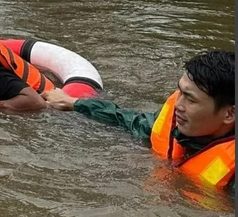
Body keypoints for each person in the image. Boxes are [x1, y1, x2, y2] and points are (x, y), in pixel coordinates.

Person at [44, 51, 235, 189]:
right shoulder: (177, 124)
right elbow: (127, 119)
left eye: (191, 99)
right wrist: (75, 103)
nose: (178, 105)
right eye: (180, 92)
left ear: (229, 115)